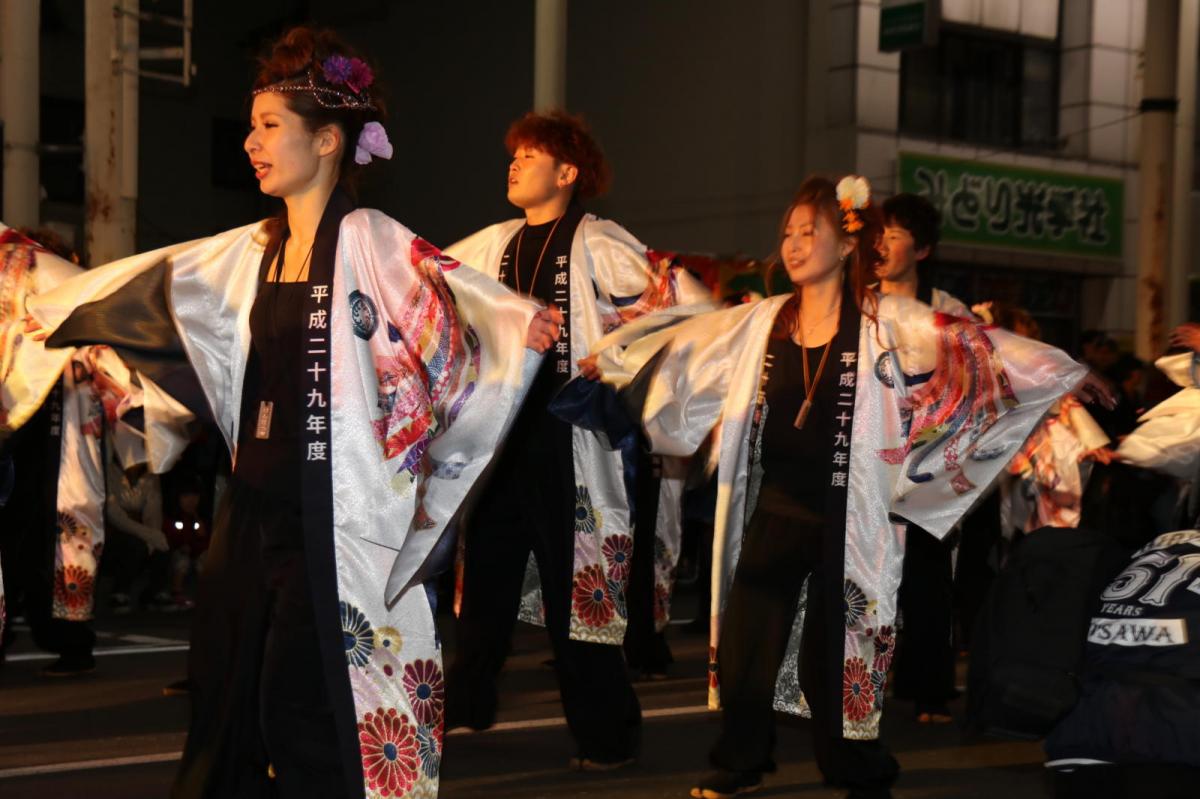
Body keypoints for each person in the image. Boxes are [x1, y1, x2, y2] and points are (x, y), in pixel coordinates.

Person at [20, 27, 560, 799]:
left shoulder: (369, 240)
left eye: (270, 126)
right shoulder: (256, 248)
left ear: (330, 140)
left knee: (302, 709)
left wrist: (514, 325)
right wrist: (61, 306)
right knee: (225, 695)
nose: (251, 143)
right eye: (253, 126)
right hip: (249, 509)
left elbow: (450, 294)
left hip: (328, 516)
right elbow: (156, 285)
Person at [587, 175, 1102, 799]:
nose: (795, 243)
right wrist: (614, 358)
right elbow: (687, 343)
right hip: (773, 507)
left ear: (848, 242)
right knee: (748, 644)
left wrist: (1062, 375)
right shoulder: (762, 322)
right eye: (788, 233)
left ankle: (857, 767)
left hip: (851, 515)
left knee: (840, 651)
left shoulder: (889, 323)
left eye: (811, 231)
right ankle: (742, 759)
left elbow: (976, 349)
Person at [442, 109, 711, 768]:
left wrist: (614, 353)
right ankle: (463, 706)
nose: (514, 164)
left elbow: (685, 304)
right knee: (483, 590)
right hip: (504, 445)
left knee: (579, 601)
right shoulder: (493, 243)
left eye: (529, 156)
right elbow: (433, 280)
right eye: (514, 155)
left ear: (566, 173)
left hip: (571, 443)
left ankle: (609, 737)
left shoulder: (595, 240)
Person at [875, 192, 970, 723]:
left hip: (928, 464)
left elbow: (978, 382)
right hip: (868, 463)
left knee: (928, 581)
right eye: (876, 234)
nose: (880, 244)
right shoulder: (856, 304)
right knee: (864, 576)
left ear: (923, 248)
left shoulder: (948, 311)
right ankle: (859, 679)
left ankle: (930, 690)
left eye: (893, 234)